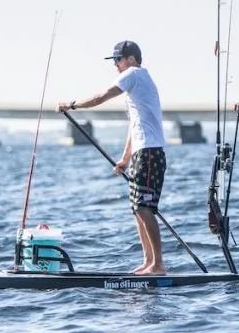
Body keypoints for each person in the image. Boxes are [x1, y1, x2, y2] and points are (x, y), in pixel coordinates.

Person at [56, 40, 167, 275]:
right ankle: (149, 262)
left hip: (150, 152)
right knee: (138, 208)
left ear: (131, 59)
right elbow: (135, 126)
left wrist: (72, 105)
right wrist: (125, 159)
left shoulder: (134, 74)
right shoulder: (137, 85)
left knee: (145, 207)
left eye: (117, 60)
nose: (115, 65)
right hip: (141, 152)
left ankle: (158, 265)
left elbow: (101, 97)